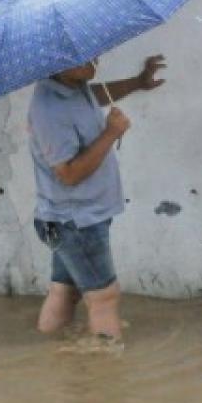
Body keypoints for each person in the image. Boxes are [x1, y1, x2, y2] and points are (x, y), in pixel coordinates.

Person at [29, 54, 168, 343]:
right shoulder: (50, 109)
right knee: (104, 298)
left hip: (66, 218)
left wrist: (137, 83)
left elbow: (95, 95)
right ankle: (107, 376)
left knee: (65, 292)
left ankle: (48, 356)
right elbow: (68, 174)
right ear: (55, 62)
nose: (92, 63)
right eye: (80, 59)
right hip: (77, 221)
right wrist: (111, 133)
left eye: (93, 55)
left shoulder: (72, 87)